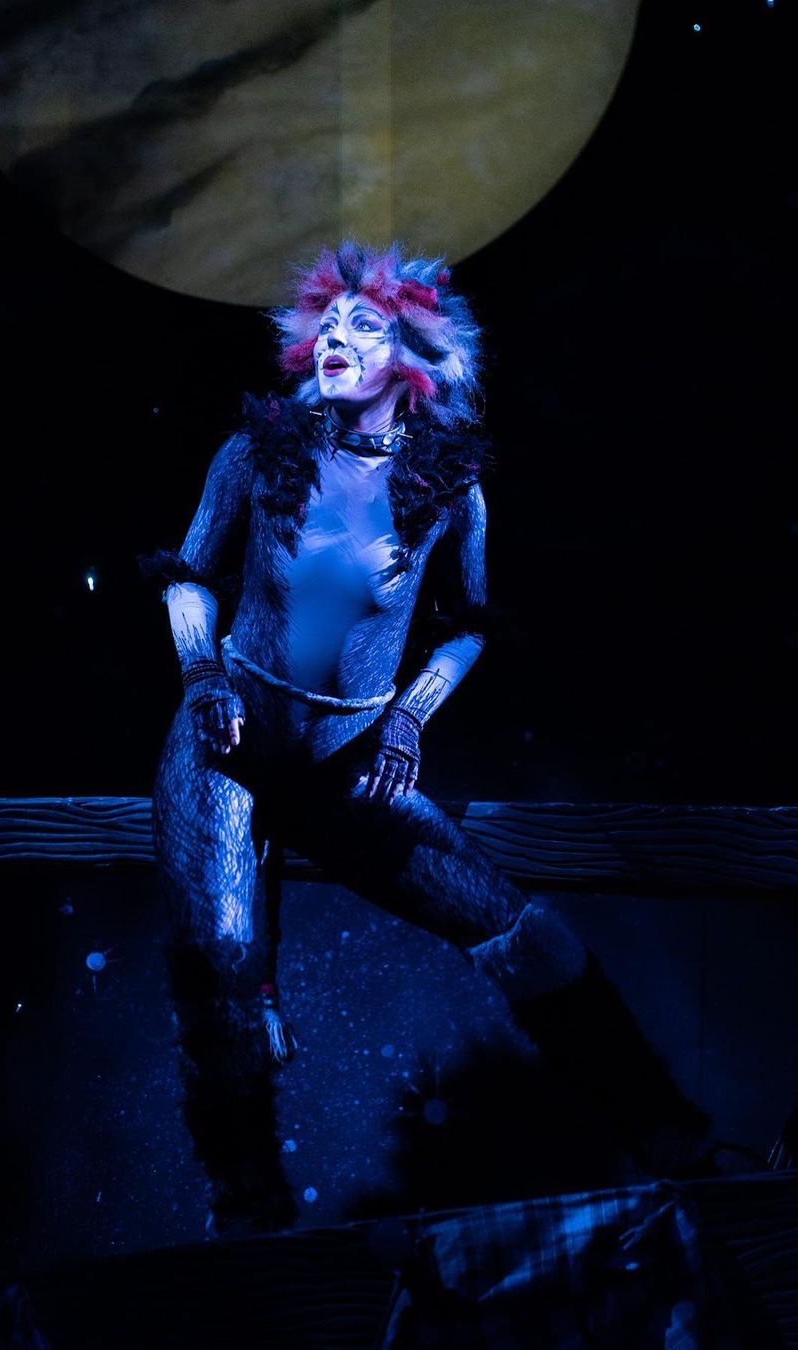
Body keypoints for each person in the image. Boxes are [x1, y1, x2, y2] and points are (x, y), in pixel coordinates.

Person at [139, 241, 726, 1237]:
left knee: (526, 936)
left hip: (345, 769)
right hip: (226, 742)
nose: (336, 337)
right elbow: (187, 576)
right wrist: (200, 676)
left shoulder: (450, 492)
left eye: (364, 326)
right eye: (329, 323)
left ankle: (677, 1143)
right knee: (223, 965)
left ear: (412, 355)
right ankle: (250, 1221)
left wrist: (408, 715)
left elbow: (469, 626)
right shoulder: (256, 453)